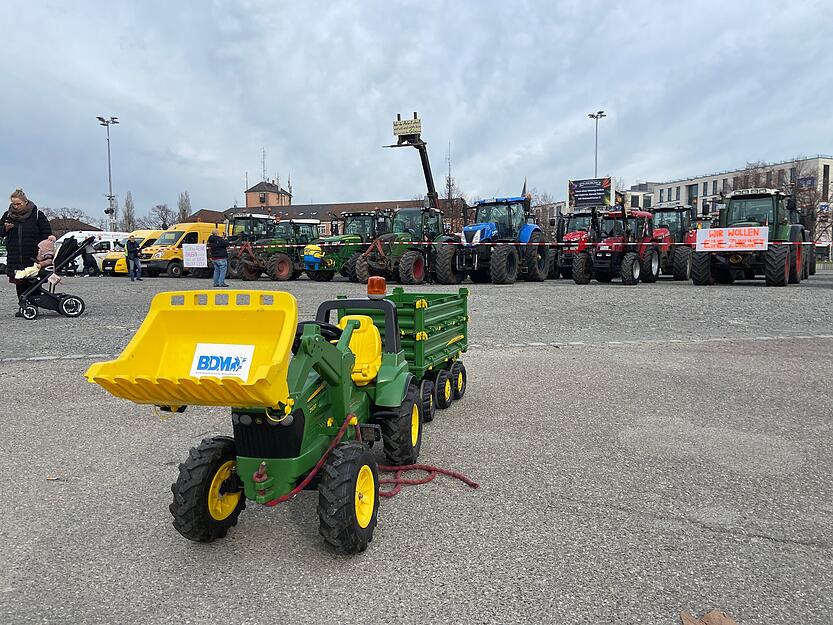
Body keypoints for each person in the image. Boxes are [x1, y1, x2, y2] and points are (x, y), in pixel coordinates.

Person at [1, 189, 52, 315]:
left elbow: (46, 234)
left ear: (25, 202)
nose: (16, 206)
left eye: (18, 204)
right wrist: (4, 228)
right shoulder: (7, 215)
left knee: (33, 280)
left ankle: (35, 304)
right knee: (19, 281)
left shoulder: (37, 215)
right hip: (15, 256)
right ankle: (24, 305)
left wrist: (44, 250)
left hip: (33, 255)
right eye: (14, 204)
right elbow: (0, 232)